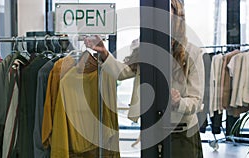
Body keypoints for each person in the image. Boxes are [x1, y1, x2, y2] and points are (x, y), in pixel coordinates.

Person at [85, 0, 205, 157]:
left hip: (181, 134)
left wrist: (178, 102)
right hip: (152, 129)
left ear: (177, 16)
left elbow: (196, 100)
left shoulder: (193, 53)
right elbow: (123, 72)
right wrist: (104, 53)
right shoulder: (144, 46)